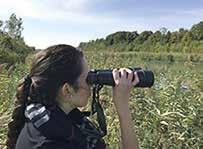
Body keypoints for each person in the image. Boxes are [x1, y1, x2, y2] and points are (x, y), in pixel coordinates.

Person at [6, 44, 139, 149]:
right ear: (67, 90)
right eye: (88, 79)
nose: (92, 85)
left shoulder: (42, 119)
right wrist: (123, 108)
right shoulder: (54, 143)